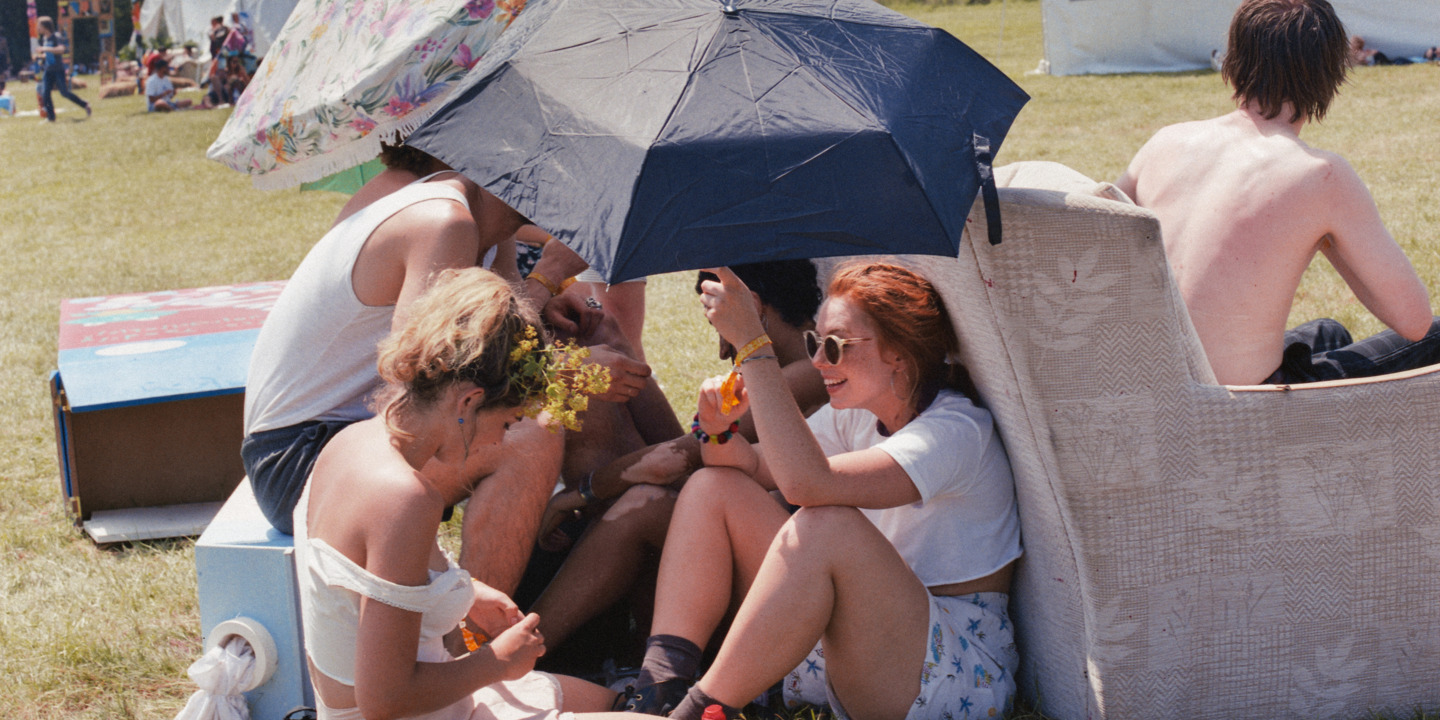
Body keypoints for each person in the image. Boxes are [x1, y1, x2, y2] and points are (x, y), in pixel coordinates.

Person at [619, 262, 1022, 720]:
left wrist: (754, 347)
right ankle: (659, 688)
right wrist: (715, 432)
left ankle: (699, 711)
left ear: (898, 352)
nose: (817, 362)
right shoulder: (857, 414)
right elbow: (750, 467)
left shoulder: (956, 431)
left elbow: (808, 485)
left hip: (955, 671)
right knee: (713, 486)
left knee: (826, 522)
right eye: (815, 343)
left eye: (834, 346)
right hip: (867, 637)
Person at [241, 142, 648, 595]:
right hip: (299, 458)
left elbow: (501, 340)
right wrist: (550, 283)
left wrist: (547, 301)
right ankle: (477, 643)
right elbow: (431, 376)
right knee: (531, 436)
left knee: (578, 390)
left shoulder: (492, 226)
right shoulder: (445, 222)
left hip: (368, 428)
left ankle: (617, 584)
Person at [293, 267, 641, 720]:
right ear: (469, 402)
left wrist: (467, 592)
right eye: (508, 423)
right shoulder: (405, 498)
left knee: (612, 702)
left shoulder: (353, 443)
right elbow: (385, 701)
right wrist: (497, 661)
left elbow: (359, 583)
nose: (500, 443)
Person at [1116, 0, 1439, 385]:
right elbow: (1413, 321)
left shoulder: (1163, 142)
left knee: (1329, 331)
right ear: (1329, 76)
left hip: (1155, 387)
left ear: (1233, 62)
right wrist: (1330, 240)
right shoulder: (1320, 176)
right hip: (1239, 409)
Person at [524, 260, 829, 660]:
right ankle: (568, 641)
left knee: (640, 504)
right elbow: (688, 450)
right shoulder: (804, 360)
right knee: (598, 391)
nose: (723, 351)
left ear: (750, 307)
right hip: (751, 537)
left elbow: (685, 456)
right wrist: (612, 342)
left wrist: (575, 495)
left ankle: (522, 650)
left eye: (718, 326)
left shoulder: (809, 373)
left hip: (787, 573)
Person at [34, 16, 91, 122]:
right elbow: (49, 54)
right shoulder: (45, 39)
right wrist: (40, 56)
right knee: (45, 94)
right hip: (48, 70)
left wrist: (45, 48)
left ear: (45, 26)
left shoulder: (56, 36)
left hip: (58, 70)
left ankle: (85, 104)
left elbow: (61, 49)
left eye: (39, 26)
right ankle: (51, 117)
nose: (37, 28)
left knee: (64, 93)